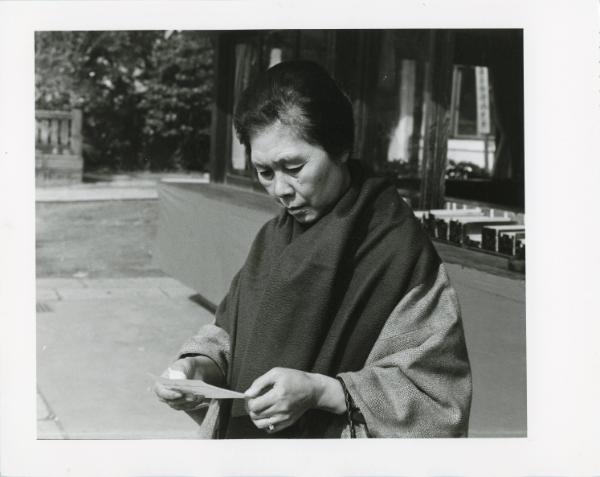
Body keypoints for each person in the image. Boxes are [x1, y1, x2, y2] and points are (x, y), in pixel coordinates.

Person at [154, 60, 472, 438]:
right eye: (265, 172)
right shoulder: (273, 238)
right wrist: (197, 367)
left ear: (340, 148)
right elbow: (228, 334)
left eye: (294, 166)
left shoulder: (396, 249)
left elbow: (437, 397)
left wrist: (322, 391)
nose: (280, 190)